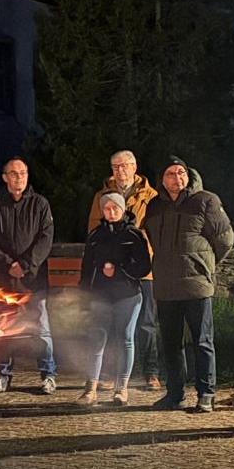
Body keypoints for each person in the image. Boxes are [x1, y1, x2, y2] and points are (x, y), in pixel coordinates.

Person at [144, 157, 234, 412]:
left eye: (181, 172)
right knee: (171, 344)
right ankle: (175, 394)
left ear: (188, 175)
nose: (177, 178)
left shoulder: (206, 201)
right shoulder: (155, 206)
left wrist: (204, 263)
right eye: (170, 174)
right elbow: (151, 238)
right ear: (162, 179)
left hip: (196, 284)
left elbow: (225, 238)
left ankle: (206, 393)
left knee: (202, 341)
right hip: (166, 286)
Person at [0, 157, 57, 393]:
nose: (19, 178)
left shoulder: (40, 204)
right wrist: (8, 264)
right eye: (14, 174)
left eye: (23, 173)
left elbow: (45, 238)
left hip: (33, 280)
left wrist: (24, 264)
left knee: (41, 328)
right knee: (5, 328)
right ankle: (3, 375)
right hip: (4, 279)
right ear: (5, 177)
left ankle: (48, 374)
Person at [88, 150, 162, 392]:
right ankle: (110, 373)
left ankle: (151, 371)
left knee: (146, 323)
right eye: (115, 166)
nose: (120, 170)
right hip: (111, 273)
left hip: (142, 268)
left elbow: (156, 229)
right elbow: (94, 231)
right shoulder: (102, 196)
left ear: (134, 167)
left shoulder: (151, 196)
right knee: (112, 325)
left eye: (124, 166)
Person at [78, 191, 150, 405]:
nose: (111, 212)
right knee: (97, 339)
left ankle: (121, 389)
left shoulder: (134, 235)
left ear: (123, 208)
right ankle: (90, 389)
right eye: (107, 208)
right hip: (100, 295)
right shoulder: (95, 236)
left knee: (125, 339)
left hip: (127, 295)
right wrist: (84, 294)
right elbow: (87, 268)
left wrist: (119, 269)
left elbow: (143, 266)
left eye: (115, 208)